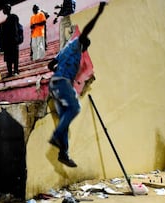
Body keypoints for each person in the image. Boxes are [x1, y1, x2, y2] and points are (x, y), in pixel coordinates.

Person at [47, 1, 106, 167]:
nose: (85, 48)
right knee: (75, 108)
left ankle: (63, 153)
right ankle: (56, 136)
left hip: (55, 84)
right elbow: (86, 31)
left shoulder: (64, 50)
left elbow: (50, 65)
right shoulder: (76, 44)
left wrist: (61, 68)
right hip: (62, 82)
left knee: (64, 118)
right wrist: (99, 13)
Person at [0, 3, 21, 77]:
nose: (3, 10)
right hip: (7, 43)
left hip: (13, 41)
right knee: (8, 58)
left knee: (14, 57)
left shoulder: (13, 17)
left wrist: (17, 39)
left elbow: (16, 29)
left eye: (4, 9)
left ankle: (15, 70)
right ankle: (10, 72)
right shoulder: (5, 22)